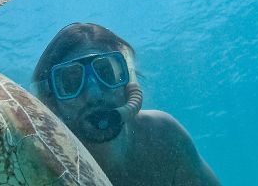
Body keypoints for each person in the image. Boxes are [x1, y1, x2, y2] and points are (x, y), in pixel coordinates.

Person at [31, 23, 220, 186]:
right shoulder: (38, 161)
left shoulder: (163, 136)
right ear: (51, 99)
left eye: (107, 73)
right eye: (71, 82)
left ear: (130, 81)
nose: (95, 94)